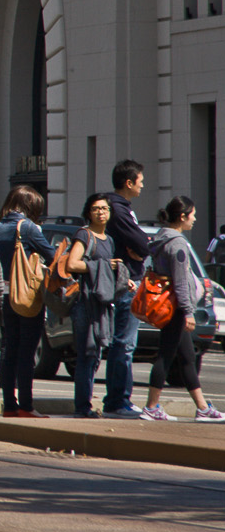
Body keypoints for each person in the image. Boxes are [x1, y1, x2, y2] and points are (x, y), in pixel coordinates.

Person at [139, 197, 225, 422]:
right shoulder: (177, 243)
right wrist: (188, 312)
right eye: (192, 215)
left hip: (171, 306)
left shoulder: (161, 238)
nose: (195, 219)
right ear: (182, 217)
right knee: (166, 357)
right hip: (176, 309)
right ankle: (151, 407)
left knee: (187, 358)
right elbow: (179, 281)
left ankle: (203, 408)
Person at [0, 184, 58, 418]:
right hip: (28, 297)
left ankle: (9, 405)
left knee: (10, 351)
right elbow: (52, 256)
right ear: (30, 206)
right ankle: (26, 405)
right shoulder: (28, 228)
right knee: (27, 353)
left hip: (7, 295)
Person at [64, 194, 122, 418]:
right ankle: (82, 407)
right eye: (96, 208)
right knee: (87, 355)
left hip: (101, 304)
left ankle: (85, 404)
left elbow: (107, 272)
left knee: (95, 356)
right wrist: (105, 265)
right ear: (88, 212)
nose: (101, 212)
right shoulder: (84, 235)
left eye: (105, 208)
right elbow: (72, 263)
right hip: (85, 304)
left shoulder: (108, 239)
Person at [102, 160, 149, 418]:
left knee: (123, 343)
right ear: (129, 183)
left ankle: (118, 399)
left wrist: (141, 246)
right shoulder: (119, 210)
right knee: (125, 344)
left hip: (125, 281)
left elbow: (141, 242)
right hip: (126, 283)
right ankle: (118, 401)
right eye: (140, 181)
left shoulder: (119, 208)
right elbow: (142, 242)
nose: (143, 185)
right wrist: (142, 248)